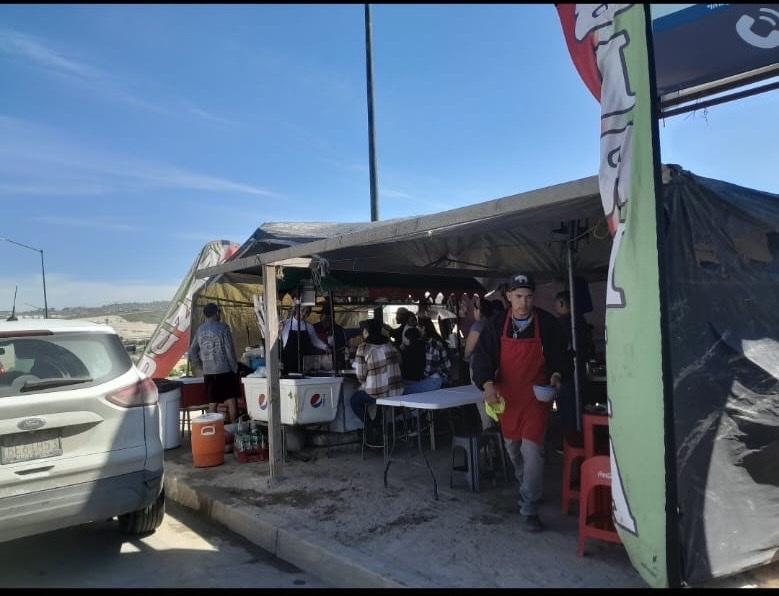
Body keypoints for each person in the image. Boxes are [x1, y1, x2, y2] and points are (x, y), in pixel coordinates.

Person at [471, 273, 568, 533]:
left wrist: (557, 374)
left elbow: (560, 355)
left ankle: (529, 506)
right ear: (509, 297)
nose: (524, 302)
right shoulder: (496, 324)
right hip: (507, 398)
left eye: (528, 296)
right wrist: (488, 385)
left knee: (533, 452)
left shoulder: (546, 323)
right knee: (513, 449)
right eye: (518, 296)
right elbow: (481, 358)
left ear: (533, 297)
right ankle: (527, 487)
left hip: (536, 397)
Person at [349, 318, 404, 443]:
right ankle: (378, 425)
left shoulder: (363, 348)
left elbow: (361, 376)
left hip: (379, 393)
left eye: (363, 331)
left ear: (367, 332)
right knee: (381, 397)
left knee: (354, 400)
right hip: (397, 391)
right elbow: (400, 364)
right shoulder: (390, 345)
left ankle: (371, 426)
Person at [554, 289, 595, 441]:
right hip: (582, 369)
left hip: (567, 371)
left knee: (568, 407)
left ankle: (571, 441)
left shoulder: (562, 324)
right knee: (580, 405)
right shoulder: (581, 321)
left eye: (556, 304)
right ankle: (584, 438)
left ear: (562, 303)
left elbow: (557, 349)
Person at [189, 302, 240, 423]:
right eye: (219, 312)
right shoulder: (223, 328)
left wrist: (200, 366)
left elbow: (192, 351)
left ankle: (212, 431)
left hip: (209, 372)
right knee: (231, 401)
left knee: (212, 403)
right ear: (217, 313)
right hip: (225, 370)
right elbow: (229, 350)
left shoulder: (200, 329)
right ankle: (234, 430)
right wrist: (235, 368)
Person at [279, 304, 329, 374]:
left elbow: (316, 341)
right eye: (302, 310)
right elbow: (275, 339)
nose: (304, 314)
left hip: (305, 365)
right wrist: (278, 330)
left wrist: (326, 347)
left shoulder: (309, 327)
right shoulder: (285, 324)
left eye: (307, 312)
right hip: (288, 363)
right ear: (296, 310)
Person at [417, 316, 452, 389]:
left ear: (423, 328)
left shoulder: (432, 344)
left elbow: (429, 370)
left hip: (438, 379)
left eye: (418, 328)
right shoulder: (436, 340)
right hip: (443, 376)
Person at [314, 306, 348, 370]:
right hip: (316, 362)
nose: (323, 317)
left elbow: (343, 348)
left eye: (328, 316)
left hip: (334, 363)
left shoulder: (338, 330)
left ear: (332, 317)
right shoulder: (314, 328)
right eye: (322, 315)